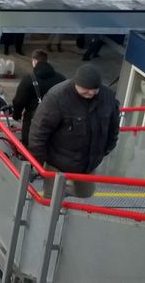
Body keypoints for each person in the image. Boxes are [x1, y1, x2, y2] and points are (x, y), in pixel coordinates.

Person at [28, 64, 120, 199]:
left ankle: (63, 193)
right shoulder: (57, 97)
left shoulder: (108, 97)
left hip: (87, 162)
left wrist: (107, 149)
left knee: (86, 193)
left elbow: (113, 126)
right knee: (51, 198)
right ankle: (49, 211)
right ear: (76, 83)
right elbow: (39, 131)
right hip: (57, 162)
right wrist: (38, 163)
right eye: (86, 90)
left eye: (95, 89)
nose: (91, 93)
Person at [11, 50, 67, 147]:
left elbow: (19, 101)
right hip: (56, 122)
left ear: (34, 61)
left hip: (33, 121)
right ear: (47, 60)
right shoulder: (61, 79)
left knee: (31, 148)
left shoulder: (29, 79)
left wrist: (17, 115)